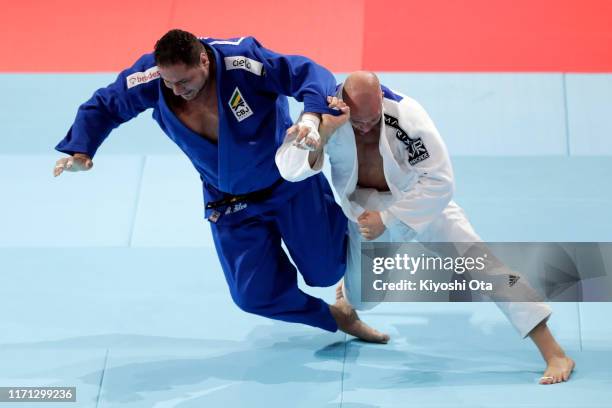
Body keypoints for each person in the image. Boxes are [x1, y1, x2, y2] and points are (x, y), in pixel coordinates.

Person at [52, 29, 389, 343]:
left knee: (328, 270)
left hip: (289, 188)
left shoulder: (242, 61)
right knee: (252, 296)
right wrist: (81, 148)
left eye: (184, 80)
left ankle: (372, 231)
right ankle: (335, 317)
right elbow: (106, 104)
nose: (176, 89)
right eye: (170, 83)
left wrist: (311, 118)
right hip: (229, 204)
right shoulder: (155, 77)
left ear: (203, 60)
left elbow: (309, 74)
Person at [275, 71, 575, 384]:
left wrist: (388, 217)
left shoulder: (407, 116)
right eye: (358, 121)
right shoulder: (326, 115)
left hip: (420, 203)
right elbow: (288, 169)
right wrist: (322, 135)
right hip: (363, 216)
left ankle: (555, 353)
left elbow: (441, 180)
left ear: (381, 102)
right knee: (364, 300)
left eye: (373, 119)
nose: (365, 128)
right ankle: (349, 291)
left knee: (483, 265)